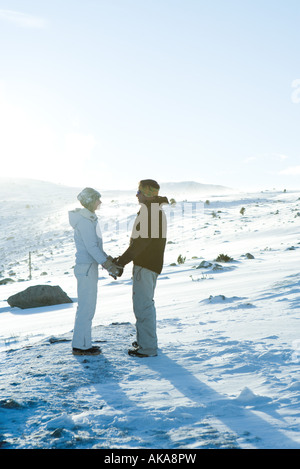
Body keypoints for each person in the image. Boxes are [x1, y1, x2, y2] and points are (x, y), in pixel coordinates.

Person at [114, 179, 169, 357]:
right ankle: (145, 341)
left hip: (146, 264)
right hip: (149, 264)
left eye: (139, 191)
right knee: (144, 304)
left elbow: (141, 242)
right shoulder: (153, 210)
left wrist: (122, 261)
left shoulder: (151, 212)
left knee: (143, 306)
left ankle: (148, 348)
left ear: (147, 193)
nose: (136, 195)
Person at [69, 187, 121, 356]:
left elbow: (96, 247)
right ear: (90, 201)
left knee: (87, 306)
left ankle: (82, 343)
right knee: (86, 306)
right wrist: (107, 264)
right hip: (87, 267)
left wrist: (107, 260)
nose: (100, 202)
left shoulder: (89, 219)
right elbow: (91, 247)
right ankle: (81, 346)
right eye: (97, 199)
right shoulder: (85, 221)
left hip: (88, 267)